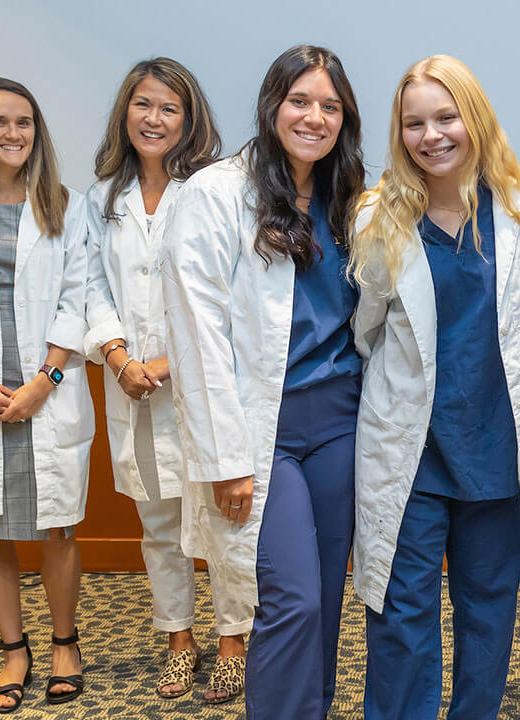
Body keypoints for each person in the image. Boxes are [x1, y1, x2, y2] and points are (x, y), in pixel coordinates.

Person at [159, 45, 365, 719]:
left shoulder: (351, 197)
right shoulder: (216, 195)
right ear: (272, 105)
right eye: (300, 101)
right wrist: (225, 458)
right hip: (257, 429)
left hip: (339, 421)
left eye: (330, 105)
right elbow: (197, 335)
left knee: (328, 598)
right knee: (292, 597)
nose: (314, 117)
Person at [348, 54, 520, 720]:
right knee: (401, 607)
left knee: (487, 608)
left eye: (446, 117)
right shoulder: (378, 218)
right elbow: (366, 331)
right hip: (412, 448)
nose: (431, 135)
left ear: (475, 118)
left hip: (495, 443)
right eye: (414, 123)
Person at [83, 57, 253, 702]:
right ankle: (180, 640)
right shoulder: (105, 198)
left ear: (190, 120)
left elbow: (229, 294)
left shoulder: (215, 190)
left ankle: (234, 638)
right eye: (143, 105)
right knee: (158, 525)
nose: (154, 119)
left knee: (222, 522)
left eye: (169, 108)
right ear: (125, 112)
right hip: (133, 388)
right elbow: (91, 286)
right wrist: (119, 355)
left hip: (200, 384)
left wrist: (173, 362)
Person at [0, 76, 93, 712]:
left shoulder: (63, 204)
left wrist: (43, 382)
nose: (14, 133)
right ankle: (11, 649)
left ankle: (63, 643)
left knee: (56, 527)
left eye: (24, 122)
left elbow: (75, 296)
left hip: (45, 390)